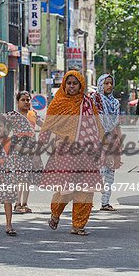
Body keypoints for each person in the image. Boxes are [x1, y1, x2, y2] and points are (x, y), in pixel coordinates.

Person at [39, 70, 105, 236]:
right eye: (69, 83)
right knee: (66, 189)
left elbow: (97, 124)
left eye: (75, 83)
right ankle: (55, 213)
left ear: (81, 84)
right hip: (65, 152)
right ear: (64, 84)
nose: (72, 86)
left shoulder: (88, 102)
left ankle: (78, 225)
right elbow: (47, 125)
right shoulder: (58, 102)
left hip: (87, 153)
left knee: (86, 190)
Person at [7, 91, 43, 213]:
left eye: (28, 100)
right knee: (20, 177)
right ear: (17, 102)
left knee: (27, 177)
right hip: (18, 150)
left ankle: (25, 203)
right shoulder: (12, 116)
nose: (26, 102)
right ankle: (17, 204)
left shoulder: (33, 115)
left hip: (31, 149)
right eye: (23, 100)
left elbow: (44, 125)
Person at [93, 73, 122, 211]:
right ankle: (86, 202)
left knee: (110, 173)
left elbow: (117, 124)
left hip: (112, 140)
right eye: (106, 83)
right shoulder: (95, 100)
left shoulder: (115, 103)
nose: (109, 86)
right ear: (100, 85)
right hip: (96, 140)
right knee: (96, 172)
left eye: (111, 83)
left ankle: (105, 202)